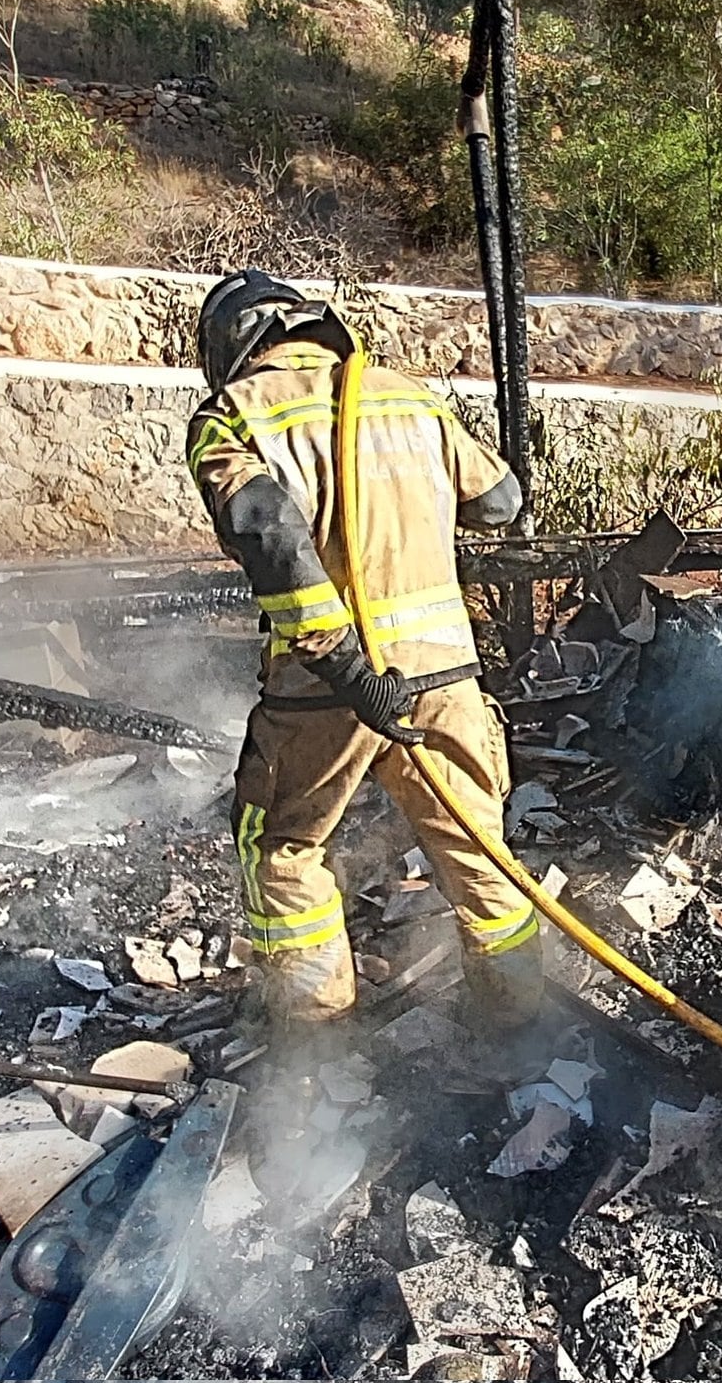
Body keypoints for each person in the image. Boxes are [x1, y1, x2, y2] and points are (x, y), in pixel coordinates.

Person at [187, 270, 542, 1047]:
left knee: (281, 848)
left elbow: (272, 539)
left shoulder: (231, 416)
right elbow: (501, 504)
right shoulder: (407, 396)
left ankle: (315, 1039)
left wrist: (347, 671)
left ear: (232, 346)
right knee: (478, 849)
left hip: (328, 684)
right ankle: (519, 1026)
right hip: (447, 674)